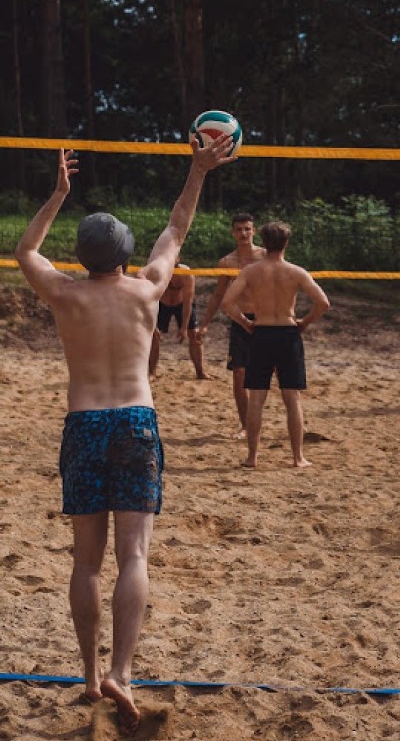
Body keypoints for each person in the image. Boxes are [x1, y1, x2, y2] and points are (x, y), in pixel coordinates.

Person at [14, 136, 235, 733]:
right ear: (125, 255)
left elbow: (24, 249)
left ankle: (88, 677)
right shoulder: (147, 291)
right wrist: (196, 170)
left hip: (83, 422)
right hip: (135, 421)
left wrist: (58, 193)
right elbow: (178, 227)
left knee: (86, 561)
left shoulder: (63, 292)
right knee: (132, 553)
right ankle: (122, 672)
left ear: (82, 255)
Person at [220, 221, 329, 469]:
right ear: (286, 243)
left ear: (264, 242)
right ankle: (297, 457)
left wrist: (246, 323)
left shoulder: (250, 271)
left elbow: (227, 303)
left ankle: (252, 457)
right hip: (287, 333)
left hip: (261, 333)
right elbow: (323, 303)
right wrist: (304, 322)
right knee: (292, 397)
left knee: (257, 397)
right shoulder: (296, 272)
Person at [196, 213, 265, 437]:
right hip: (239, 320)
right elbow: (218, 295)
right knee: (239, 374)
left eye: (247, 229)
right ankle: (245, 426)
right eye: (239, 229)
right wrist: (204, 324)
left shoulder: (265, 256)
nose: (243, 233)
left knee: (279, 372)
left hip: (267, 320)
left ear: (254, 231)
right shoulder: (227, 262)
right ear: (232, 232)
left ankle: (296, 423)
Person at [149, 259, 211, 379]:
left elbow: (188, 302)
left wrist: (183, 328)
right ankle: (152, 372)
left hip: (182, 303)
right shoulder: (157, 272)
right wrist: (152, 324)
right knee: (154, 337)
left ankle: (200, 372)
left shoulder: (186, 274)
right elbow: (150, 300)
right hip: (161, 304)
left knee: (194, 335)